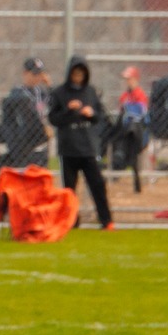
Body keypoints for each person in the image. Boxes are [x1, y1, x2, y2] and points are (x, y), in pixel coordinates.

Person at [48, 56, 113, 229]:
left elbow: (99, 117)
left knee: (97, 184)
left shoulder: (91, 92)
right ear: (70, 74)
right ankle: (72, 221)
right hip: (68, 149)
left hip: (88, 148)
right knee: (70, 189)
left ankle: (106, 220)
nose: (78, 78)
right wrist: (69, 110)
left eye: (81, 74)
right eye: (75, 74)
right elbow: (54, 119)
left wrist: (90, 113)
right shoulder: (59, 93)